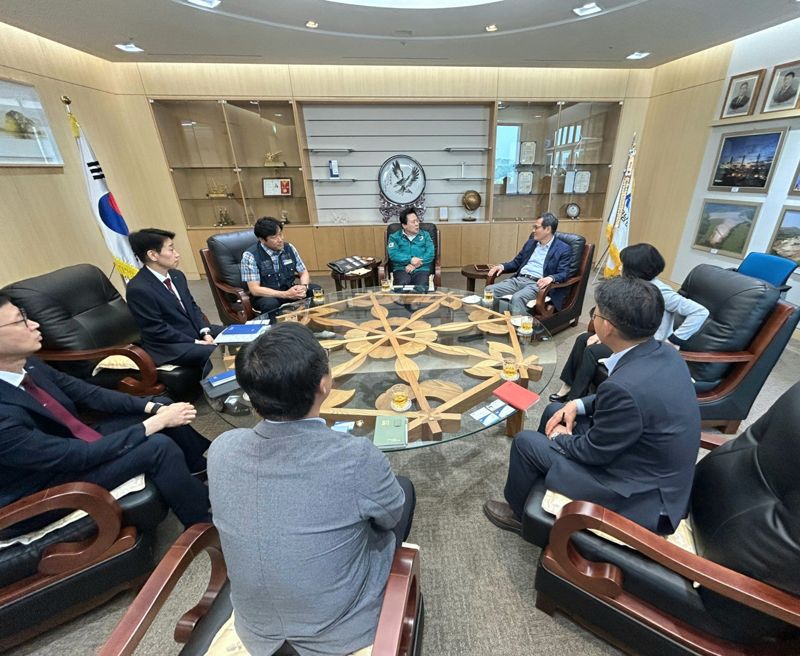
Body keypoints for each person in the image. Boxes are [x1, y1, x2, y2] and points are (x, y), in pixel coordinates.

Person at [208, 322, 415, 656]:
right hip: (339, 630)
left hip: (255, 627)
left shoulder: (221, 449)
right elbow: (391, 518)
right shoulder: (356, 457)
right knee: (402, 493)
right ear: (324, 384)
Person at [484, 276, 700, 536]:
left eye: (594, 313)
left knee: (525, 443)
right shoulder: (665, 353)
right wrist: (576, 404)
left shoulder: (625, 387)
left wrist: (561, 439)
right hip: (644, 461)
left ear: (607, 327)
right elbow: (630, 403)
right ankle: (543, 480)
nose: (593, 317)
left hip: (638, 494)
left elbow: (595, 451)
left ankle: (520, 517)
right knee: (556, 411)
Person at [0, 294, 211, 528]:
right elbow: (75, 456)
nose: (34, 324)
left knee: (158, 408)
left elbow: (88, 393)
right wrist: (156, 423)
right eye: (20, 321)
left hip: (74, 443)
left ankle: (202, 473)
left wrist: (154, 407)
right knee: (158, 446)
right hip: (43, 489)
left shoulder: (28, 364)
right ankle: (204, 525)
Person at [549, 242, 709, 402]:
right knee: (583, 339)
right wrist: (601, 334)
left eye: (623, 264)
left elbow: (700, 312)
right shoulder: (632, 287)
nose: (620, 268)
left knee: (592, 351)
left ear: (635, 269)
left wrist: (674, 340)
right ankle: (567, 386)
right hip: (627, 337)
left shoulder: (661, 292)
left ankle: (575, 400)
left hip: (643, 347)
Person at [127, 228, 222, 373]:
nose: (177, 254)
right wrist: (196, 342)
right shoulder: (139, 289)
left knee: (242, 334)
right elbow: (157, 330)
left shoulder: (177, 276)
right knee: (215, 353)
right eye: (171, 249)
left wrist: (205, 332)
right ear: (153, 255)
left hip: (195, 332)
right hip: (169, 345)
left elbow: (192, 307)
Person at [483, 212, 572, 315]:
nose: (533, 230)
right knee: (489, 290)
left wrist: (551, 278)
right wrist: (501, 266)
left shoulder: (563, 249)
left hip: (537, 284)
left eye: (536, 227)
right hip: (519, 279)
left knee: (517, 298)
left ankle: (518, 325)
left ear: (548, 229)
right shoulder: (531, 243)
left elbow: (564, 273)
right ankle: (491, 320)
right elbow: (516, 262)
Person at [239, 216, 321, 319]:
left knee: (315, 290)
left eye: (280, 234)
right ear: (262, 239)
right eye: (274, 237)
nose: (280, 239)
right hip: (267, 296)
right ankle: (275, 328)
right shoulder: (250, 255)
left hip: (289, 289)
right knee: (270, 304)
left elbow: (303, 272)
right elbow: (255, 289)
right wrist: (285, 294)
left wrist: (303, 286)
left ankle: (314, 324)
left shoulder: (289, 248)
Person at [387, 207, 434, 287]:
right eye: (413, 222)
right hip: (401, 268)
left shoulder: (425, 235)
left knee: (421, 287)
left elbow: (430, 254)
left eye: (417, 220)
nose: (417, 224)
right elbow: (393, 254)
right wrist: (410, 259)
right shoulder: (394, 237)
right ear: (404, 225)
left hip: (421, 268)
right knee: (401, 286)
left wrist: (414, 265)